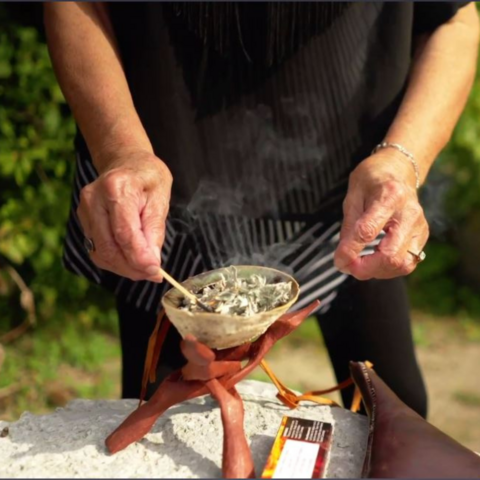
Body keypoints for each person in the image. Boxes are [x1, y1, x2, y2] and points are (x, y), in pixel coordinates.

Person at [44, 2, 479, 416]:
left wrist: (400, 161)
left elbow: (454, 20)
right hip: (160, 189)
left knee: (397, 410)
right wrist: (119, 150)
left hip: (355, 200)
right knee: (160, 411)